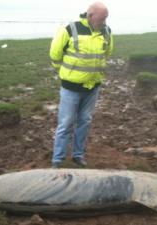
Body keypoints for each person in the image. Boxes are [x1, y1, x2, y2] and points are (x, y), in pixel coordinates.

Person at [49, 2, 114, 168]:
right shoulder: (70, 29)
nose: (104, 21)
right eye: (102, 18)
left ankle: (78, 156)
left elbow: (107, 53)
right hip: (71, 88)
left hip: (93, 87)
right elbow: (55, 54)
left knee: (85, 121)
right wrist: (65, 73)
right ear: (90, 15)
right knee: (66, 123)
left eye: (106, 18)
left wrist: (95, 74)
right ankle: (58, 160)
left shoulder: (106, 31)